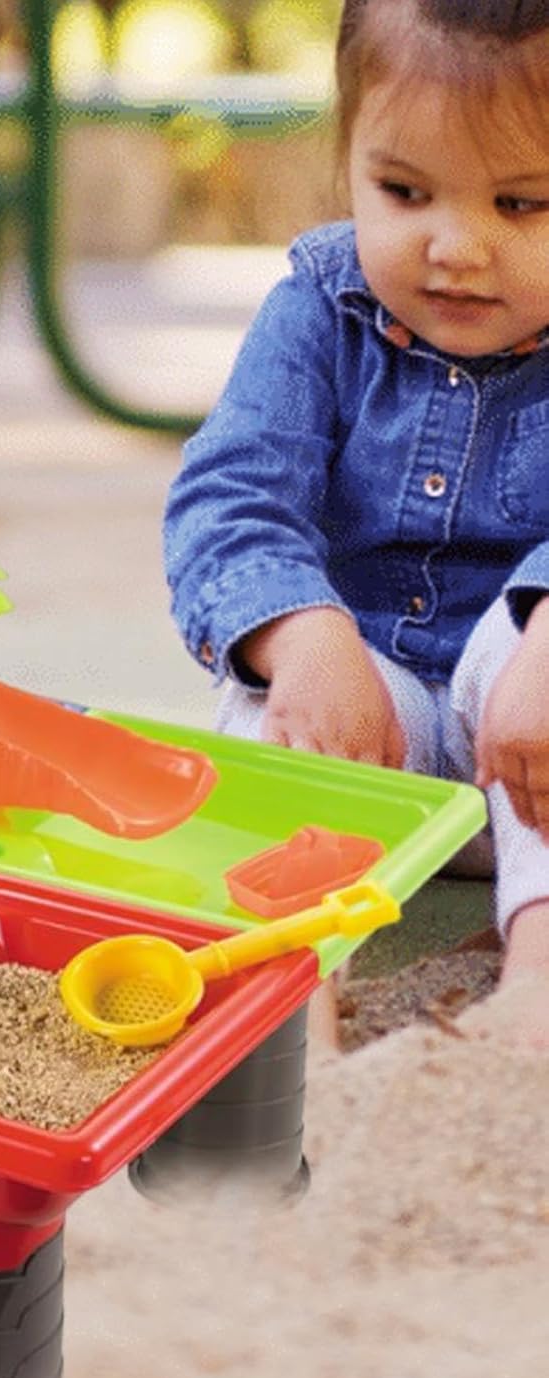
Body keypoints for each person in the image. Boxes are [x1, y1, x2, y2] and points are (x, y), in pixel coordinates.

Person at [163, 0, 549, 1047]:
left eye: (522, 203)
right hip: (368, 723)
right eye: (404, 192)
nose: (455, 248)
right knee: (266, 716)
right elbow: (231, 496)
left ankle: (539, 983)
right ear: (349, 160)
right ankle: (290, 982)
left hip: (531, 737)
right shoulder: (317, 309)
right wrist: (301, 636)